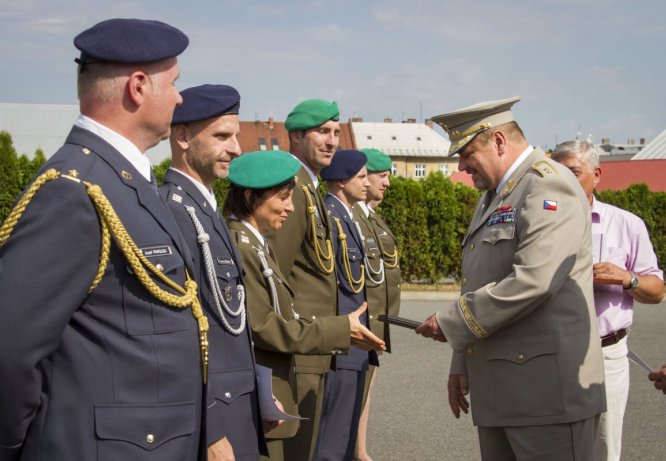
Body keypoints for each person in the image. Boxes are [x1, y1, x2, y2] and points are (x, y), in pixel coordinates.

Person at [0, 19, 208, 461]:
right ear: (137, 87)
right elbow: (10, 348)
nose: (179, 97)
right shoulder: (74, 190)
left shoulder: (123, 179)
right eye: (173, 83)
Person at [416, 96, 606, 460]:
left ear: (499, 142)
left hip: (545, 395)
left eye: (467, 152)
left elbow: (534, 279)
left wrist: (451, 322)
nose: (461, 165)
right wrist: (461, 361)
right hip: (503, 390)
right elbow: (479, 280)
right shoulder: (495, 194)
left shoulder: (548, 186)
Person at [224, 150, 385, 461]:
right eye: (283, 197)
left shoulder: (255, 245)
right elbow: (264, 327)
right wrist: (339, 329)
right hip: (264, 390)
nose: (290, 207)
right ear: (249, 197)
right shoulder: (242, 246)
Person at [161, 84, 273, 461]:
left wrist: (257, 392)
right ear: (182, 137)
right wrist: (208, 426)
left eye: (236, 136)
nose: (236, 148)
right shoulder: (173, 213)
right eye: (222, 136)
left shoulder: (206, 209)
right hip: (212, 419)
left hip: (236, 406)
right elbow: (175, 334)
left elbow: (228, 322)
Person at [551, 139, 665, 461]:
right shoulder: (540, 224)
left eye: (573, 172)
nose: (565, 181)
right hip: (549, 351)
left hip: (606, 353)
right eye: (557, 173)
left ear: (597, 174)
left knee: (604, 447)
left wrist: (626, 278)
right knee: (550, 446)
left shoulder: (626, 225)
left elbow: (656, 291)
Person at [264, 98, 342, 460]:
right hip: (299, 351)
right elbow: (273, 274)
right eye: (322, 132)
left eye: (336, 132)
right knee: (296, 452)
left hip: (314, 348)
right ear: (295, 138)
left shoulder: (309, 189)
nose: (332, 141)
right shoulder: (292, 189)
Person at [314, 149, 379, 461]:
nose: (368, 184)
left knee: (346, 438)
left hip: (356, 344)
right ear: (341, 180)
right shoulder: (329, 217)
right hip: (342, 343)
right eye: (362, 177)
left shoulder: (347, 217)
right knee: (332, 443)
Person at [351, 147, 401, 461]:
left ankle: (359, 450)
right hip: (362, 322)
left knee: (365, 390)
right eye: (381, 176)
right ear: (363, 176)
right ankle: (356, 451)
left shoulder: (371, 217)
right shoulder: (352, 215)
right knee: (354, 392)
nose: (387, 183)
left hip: (376, 321)